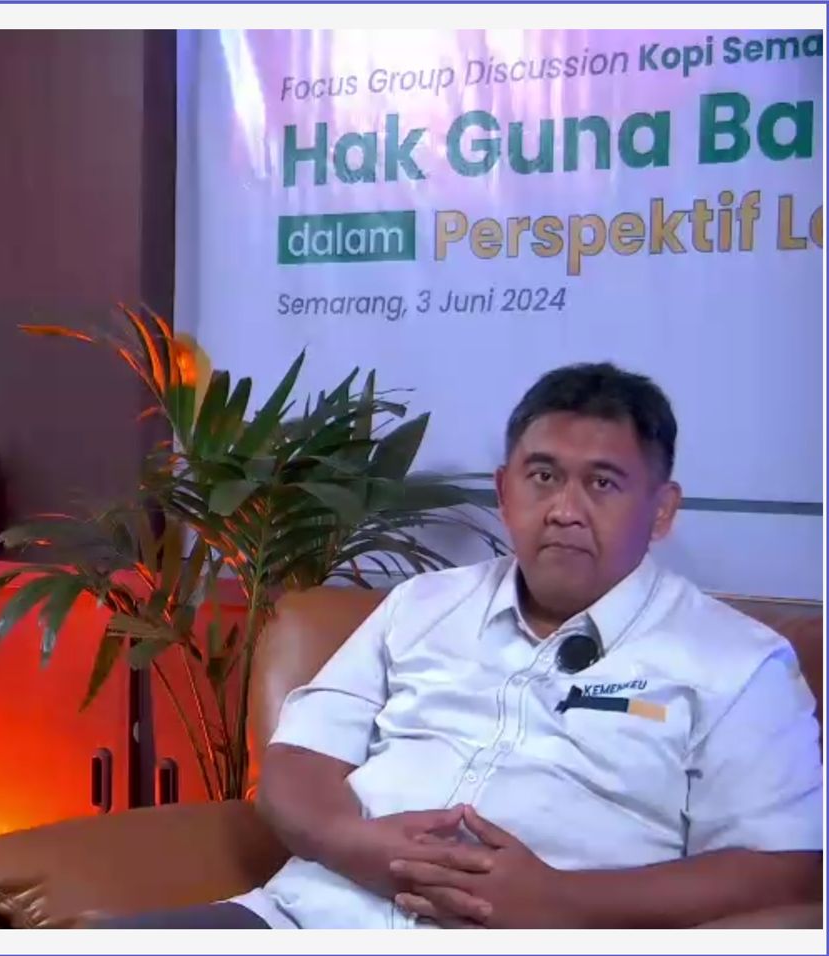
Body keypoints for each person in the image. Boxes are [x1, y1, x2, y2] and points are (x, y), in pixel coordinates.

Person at [101, 362, 823, 929]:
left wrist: (561, 901)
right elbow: (297, 763)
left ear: (661, 511)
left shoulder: (738, 663)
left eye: (603, 483)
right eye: (543, 477)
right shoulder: (421, 606)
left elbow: (786, 869)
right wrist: (361, 847)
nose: (565, 510)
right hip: (303, 921)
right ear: (505, 492)